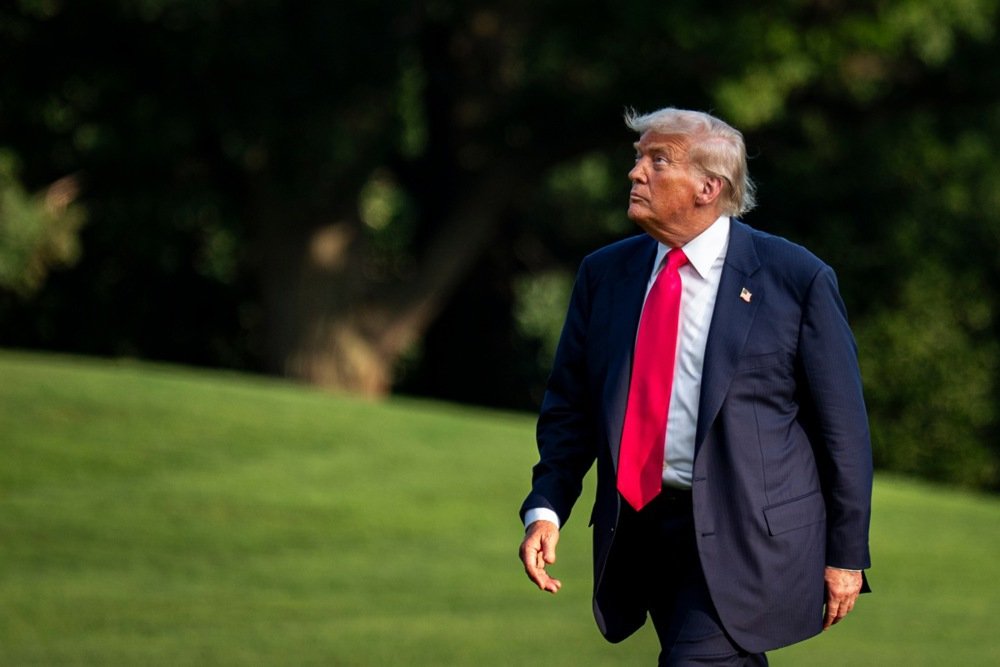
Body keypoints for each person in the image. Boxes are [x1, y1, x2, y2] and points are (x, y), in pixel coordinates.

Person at [518, 107, 872, 666]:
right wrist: (547, 508)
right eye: (639, 159)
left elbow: (844, 431)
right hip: (639, 533)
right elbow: (572, 408)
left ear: (710, 187)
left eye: (659, 161)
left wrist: (847, 556)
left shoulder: (795, 279)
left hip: (746, 538)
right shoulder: (604, 274)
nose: (636, 173)